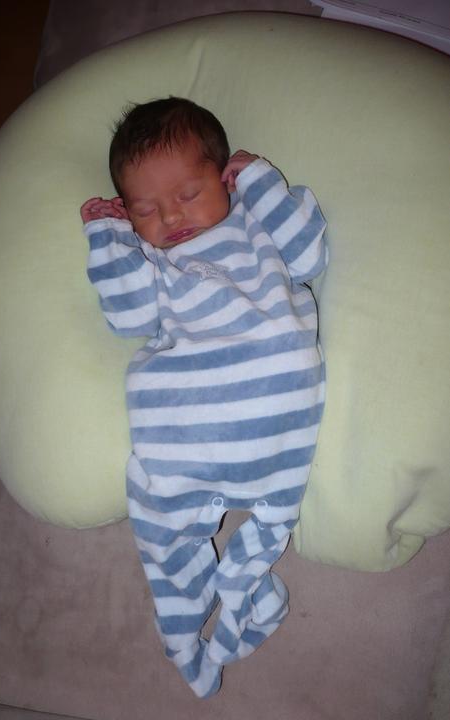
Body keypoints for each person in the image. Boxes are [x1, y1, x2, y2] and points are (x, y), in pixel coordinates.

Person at [80, 97, 328, 698]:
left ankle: (239, 593)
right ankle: (185, 641)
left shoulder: (253, 226)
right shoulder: (151, 260)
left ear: (223, 179)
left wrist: (260, 182)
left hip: (270, 400)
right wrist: (109, 238)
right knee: (158, 523)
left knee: (194, 506)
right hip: (183, 427)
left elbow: (310, 253)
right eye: (145, 210)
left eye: (188, 194)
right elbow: (127, 316)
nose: (171, 217)